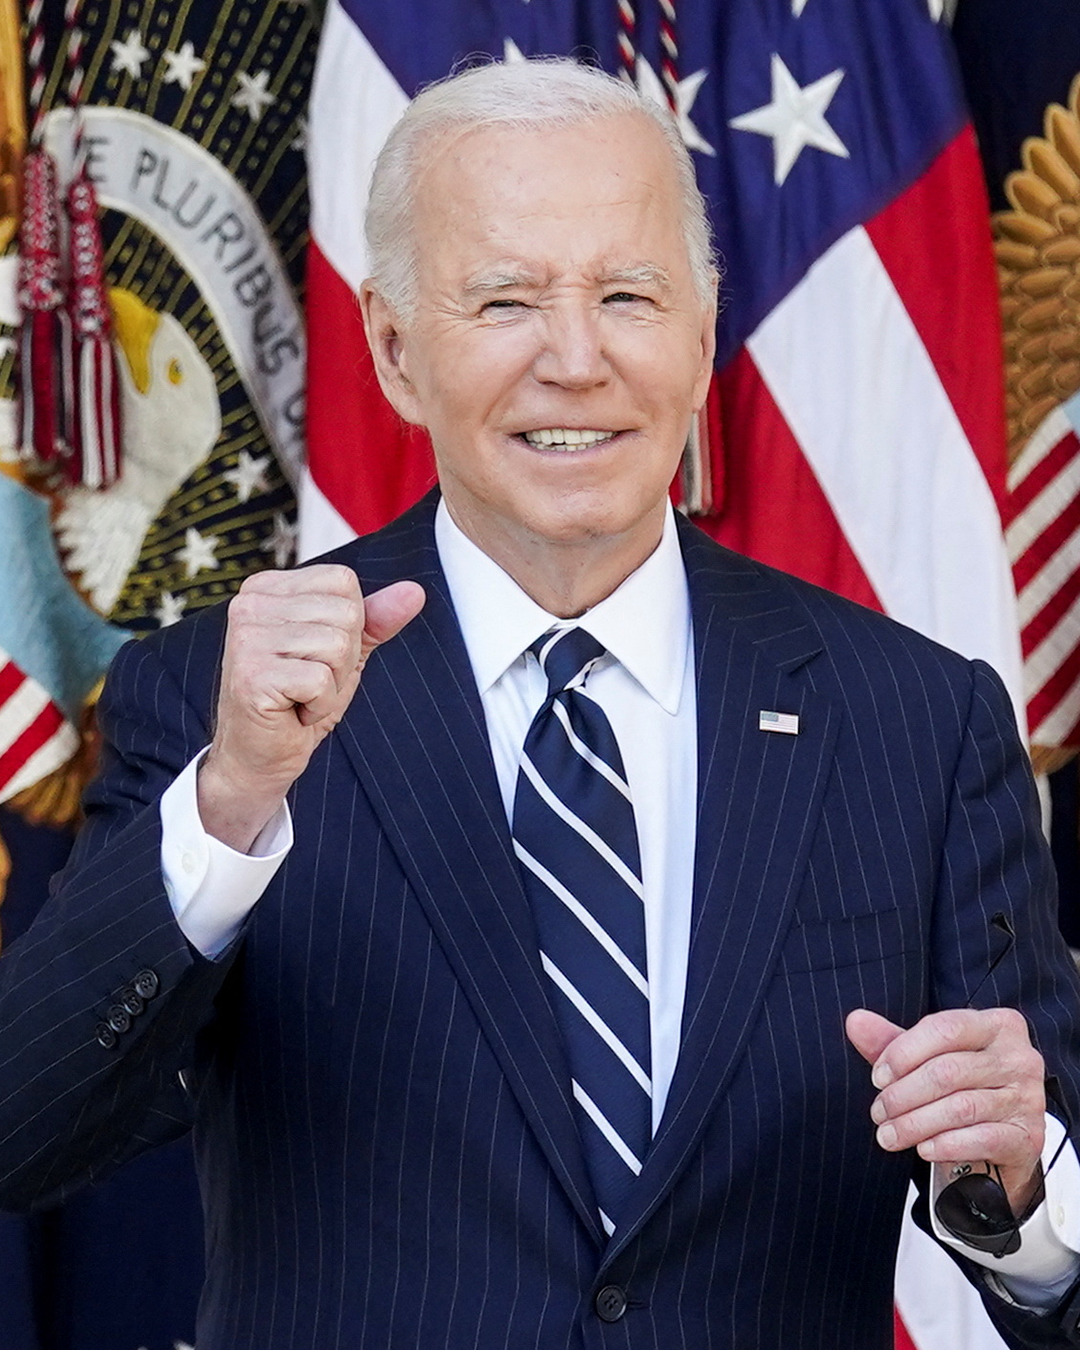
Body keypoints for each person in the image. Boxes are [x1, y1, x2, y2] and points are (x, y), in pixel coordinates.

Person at [2, 58, 1080, 1350]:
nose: (576, 360)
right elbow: (25, 1129)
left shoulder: (919, 721)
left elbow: (1054, 1248)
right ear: (395, 351)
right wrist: (231, 800)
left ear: (702, 334)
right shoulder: (214, 702)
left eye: (629, 296)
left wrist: (1022, 1192)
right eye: (506, 299)